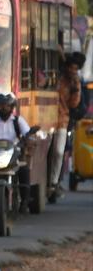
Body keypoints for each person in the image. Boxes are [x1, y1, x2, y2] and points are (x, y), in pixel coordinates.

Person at [0, 93, 32, 214]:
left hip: (13, 156)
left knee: (24, 170)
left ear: (12, 107)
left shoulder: (18, 121)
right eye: (1, 106)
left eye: (7, 106)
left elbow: (27, 134)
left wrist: (28, 141)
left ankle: (24, 202)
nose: (4, 109)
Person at [54, 51, 84, 198]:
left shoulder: (76, 83)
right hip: (47, 117)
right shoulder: (58, 77)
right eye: (71, 67)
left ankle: (54, 183)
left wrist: (75, 90)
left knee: (59, 152)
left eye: (75, 68)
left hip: (62, 120)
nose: (73, 71)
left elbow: (74, 104)